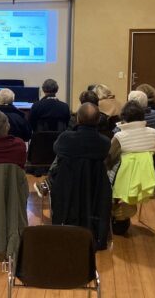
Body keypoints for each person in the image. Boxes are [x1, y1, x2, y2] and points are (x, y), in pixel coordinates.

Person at [34, 103, 111, 250]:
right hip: (95, 189)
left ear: (78, 119)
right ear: (97, 120)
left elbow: (56, 149)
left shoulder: (66, 138)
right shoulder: (104, 142)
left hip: (66, 187)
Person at [105, 102, 155, 234]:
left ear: (124, 119)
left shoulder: (120, 137)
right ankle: (125, 209)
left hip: (122, 183)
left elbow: (108, 159)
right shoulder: (153, 132)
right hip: (146, 182)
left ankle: (114, 211)